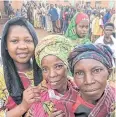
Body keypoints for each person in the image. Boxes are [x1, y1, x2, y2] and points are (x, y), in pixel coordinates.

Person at [25, 35, 78, 117]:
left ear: (67, 66)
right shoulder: (38, 97)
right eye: (45, 69)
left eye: (58, 66)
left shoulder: (79, 90)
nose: (51, 75)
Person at [0, 17, 42, 117]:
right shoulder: (1, 78)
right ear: (5, 45)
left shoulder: (46, 72)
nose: (23, 46)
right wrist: (23, 106)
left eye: (28, 40)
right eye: (14, 41)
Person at [68, 43, 115, 117]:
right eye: (80, 73)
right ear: (73, 76)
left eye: (96, 70)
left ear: (109, 73)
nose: (89, 81)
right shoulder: (66, 108)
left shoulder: (114, 96)